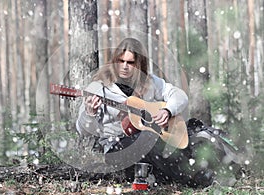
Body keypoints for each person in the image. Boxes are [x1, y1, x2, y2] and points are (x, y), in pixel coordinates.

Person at [75, 38, 240, 187]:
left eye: (130, 62)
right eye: (121, 61)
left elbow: (179, 95)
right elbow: (83, 130)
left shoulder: (150, 82)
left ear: (139, 64)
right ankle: (198, 179)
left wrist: (168, 111)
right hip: (117, 147)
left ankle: (232, 167)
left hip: (150, 139)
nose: (124, 66)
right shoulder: (98, 87)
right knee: (149, 142)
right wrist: (89, 113)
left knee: (194, 130)